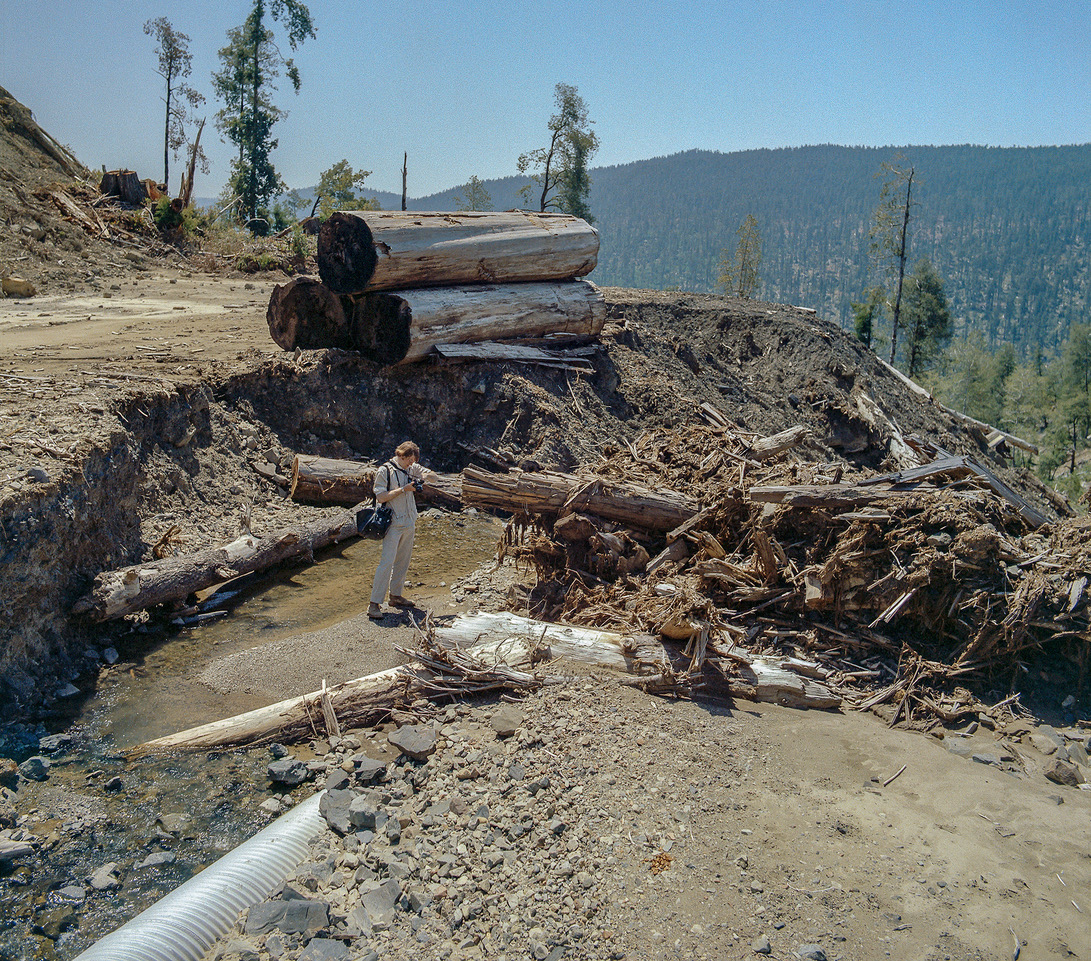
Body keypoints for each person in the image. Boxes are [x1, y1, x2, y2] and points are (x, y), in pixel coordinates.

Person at [368, 441, 431, 620]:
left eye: (413, 461)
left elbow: (432, 476)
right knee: (386, 562)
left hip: (409, 521)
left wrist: (425, 477)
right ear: (401, 455)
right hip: (393, 523)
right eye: (409, 460)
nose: (411, 463)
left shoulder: (411, 467)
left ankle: (395, 596)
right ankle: (374, 604)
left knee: (403, 561)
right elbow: (380, 497)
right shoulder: (384, 471)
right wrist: (403, 489)